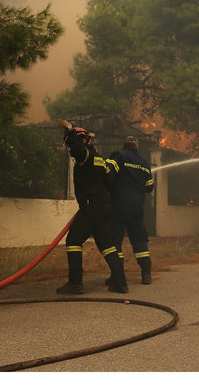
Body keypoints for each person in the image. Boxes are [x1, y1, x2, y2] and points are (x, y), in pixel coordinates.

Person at [55, 120, 128, 294]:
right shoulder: (99, 159)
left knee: (73, 241)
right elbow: (111, 183)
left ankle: (75, 283)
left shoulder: (85, 154)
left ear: (81, 140)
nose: (69, 146)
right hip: (103, 206)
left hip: (91, 206)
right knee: (107, 245)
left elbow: (77, 149)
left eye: (69, 141)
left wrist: (69, 128)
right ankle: (120, 282)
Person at [108, 136, 155, 285]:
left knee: (115, 239)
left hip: (119, 206)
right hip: (137, 208)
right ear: (137, 147)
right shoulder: (144, 163)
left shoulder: (119, 156)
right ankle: (146, 274)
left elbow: (108, 171)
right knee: (139, 239)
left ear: (124, 146)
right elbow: (149, 187)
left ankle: (117, 275)